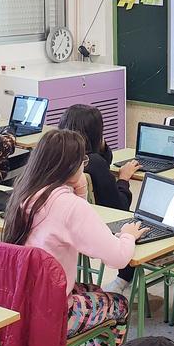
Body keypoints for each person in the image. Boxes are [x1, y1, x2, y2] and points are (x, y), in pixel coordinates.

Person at [3, 128, 143, 346]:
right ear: (71, 166)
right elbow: (118, 257)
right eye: (83, 162)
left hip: (18, 305)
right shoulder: (68, 206)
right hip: (51, 314)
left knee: (95, 292)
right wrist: (128, 235)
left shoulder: (25, 192)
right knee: (118, 306)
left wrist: (79, 193)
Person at [57, 104, 143, 296]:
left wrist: (100, 145)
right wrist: (123, 180)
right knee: (135, 222)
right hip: (99, 227)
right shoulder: (94, 163)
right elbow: (120, 206)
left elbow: (104, 159)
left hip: (68, 233)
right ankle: (124, 279)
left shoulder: (58, 157)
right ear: (96, 134)